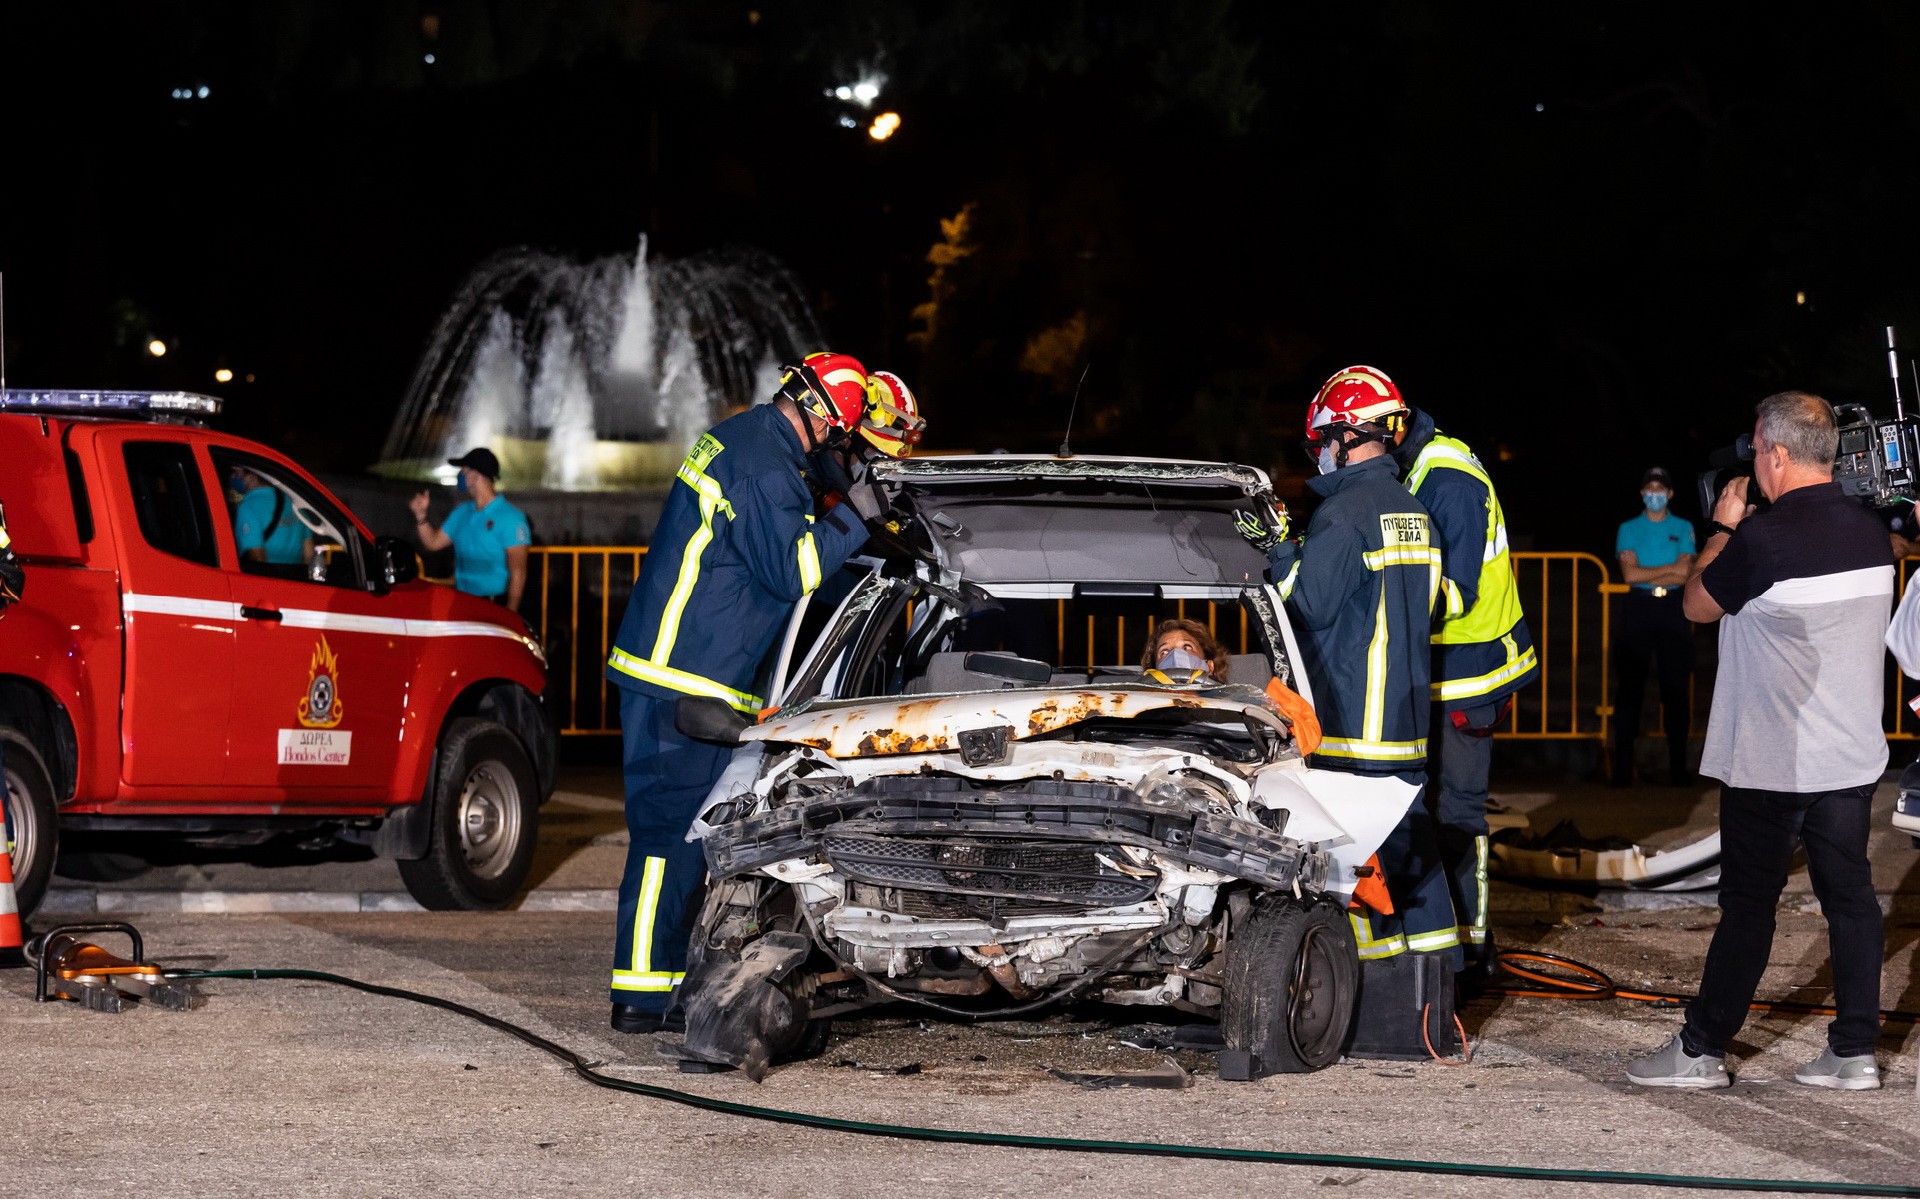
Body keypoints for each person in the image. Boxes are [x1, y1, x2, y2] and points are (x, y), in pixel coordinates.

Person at [602, 352, 882, 1035]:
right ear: (821, 418)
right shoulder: (763, 466)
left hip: (678, 673)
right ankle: (640, 998)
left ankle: (660, 985)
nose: (841, 448)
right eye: (843, 435)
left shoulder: (752, 441)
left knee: (680, 841)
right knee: (666, 838)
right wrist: (858, 517)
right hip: (679, 679)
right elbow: (793, 570)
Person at [1627, 391, 1892, 1091]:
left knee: (1750, 905)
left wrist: (1721, 525)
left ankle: (1700, 1049)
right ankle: (1854, 1051)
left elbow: (1694, 604)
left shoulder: (1762, 542)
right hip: (1850, 756)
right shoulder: (1872, 533)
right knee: (1851, 899)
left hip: (1774, 760)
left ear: (1773, 452)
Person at [1236, 375, 1456, 980]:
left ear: (1347, 435)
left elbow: (1307, 609)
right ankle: (1432, 1002)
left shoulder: (1342, 515)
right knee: (1413, 860)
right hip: (1406, 726)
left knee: (1356, 869)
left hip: (1354, 726)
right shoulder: (1415, 512)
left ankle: (1369, 1002)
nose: (1320, 456)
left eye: (1321, 444)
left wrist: (1282, 550)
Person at [1369, 366, 1538, 981]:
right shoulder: (1417, 468)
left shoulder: (1448, 477)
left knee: (1458, 818)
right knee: (1426, 812)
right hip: (1441, 671)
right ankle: (1442, 945)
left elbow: (1455, 591)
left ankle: (1471, 952)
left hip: (1469, 674)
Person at [1612, 466, 1697, 787]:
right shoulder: (1628, 528)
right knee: (1629, 689)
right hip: (1639, 608)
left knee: (1675, 690)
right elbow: (1630, 576)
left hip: (1673, 610)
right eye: (1649, 488)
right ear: (1641, 493)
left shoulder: (1683, 526)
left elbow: (1685, 574)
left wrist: (1652, 570)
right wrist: (1671, 569)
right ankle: (1622, 771)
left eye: (1661, 488)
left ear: (1670, 494)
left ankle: (1678, 770)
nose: (1655, 493)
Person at [410, 448, 531, 609]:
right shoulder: (462, 513)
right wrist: (420, 517)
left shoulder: (511, 518)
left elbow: (518, 571)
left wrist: (511, 612)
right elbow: (433, 543)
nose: (460, 476)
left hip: (494, 605)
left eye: (464, 471)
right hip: (461, 602)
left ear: (476, 475)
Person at [228, 467, 312, 568]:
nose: (232, 477)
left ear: (252, 476)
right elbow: (309, 555)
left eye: (236, 473)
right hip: (294, 580)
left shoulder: (248, 507)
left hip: (267, 579)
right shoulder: (295, 505)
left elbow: (257, 557)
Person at [1140, 617, 1230, 681]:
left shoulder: (1229, 704)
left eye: (1186, 647)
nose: (1175, 655)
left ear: (1210, 666)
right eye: (1165, 651)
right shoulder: (1137, 705)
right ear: (1153, 670)